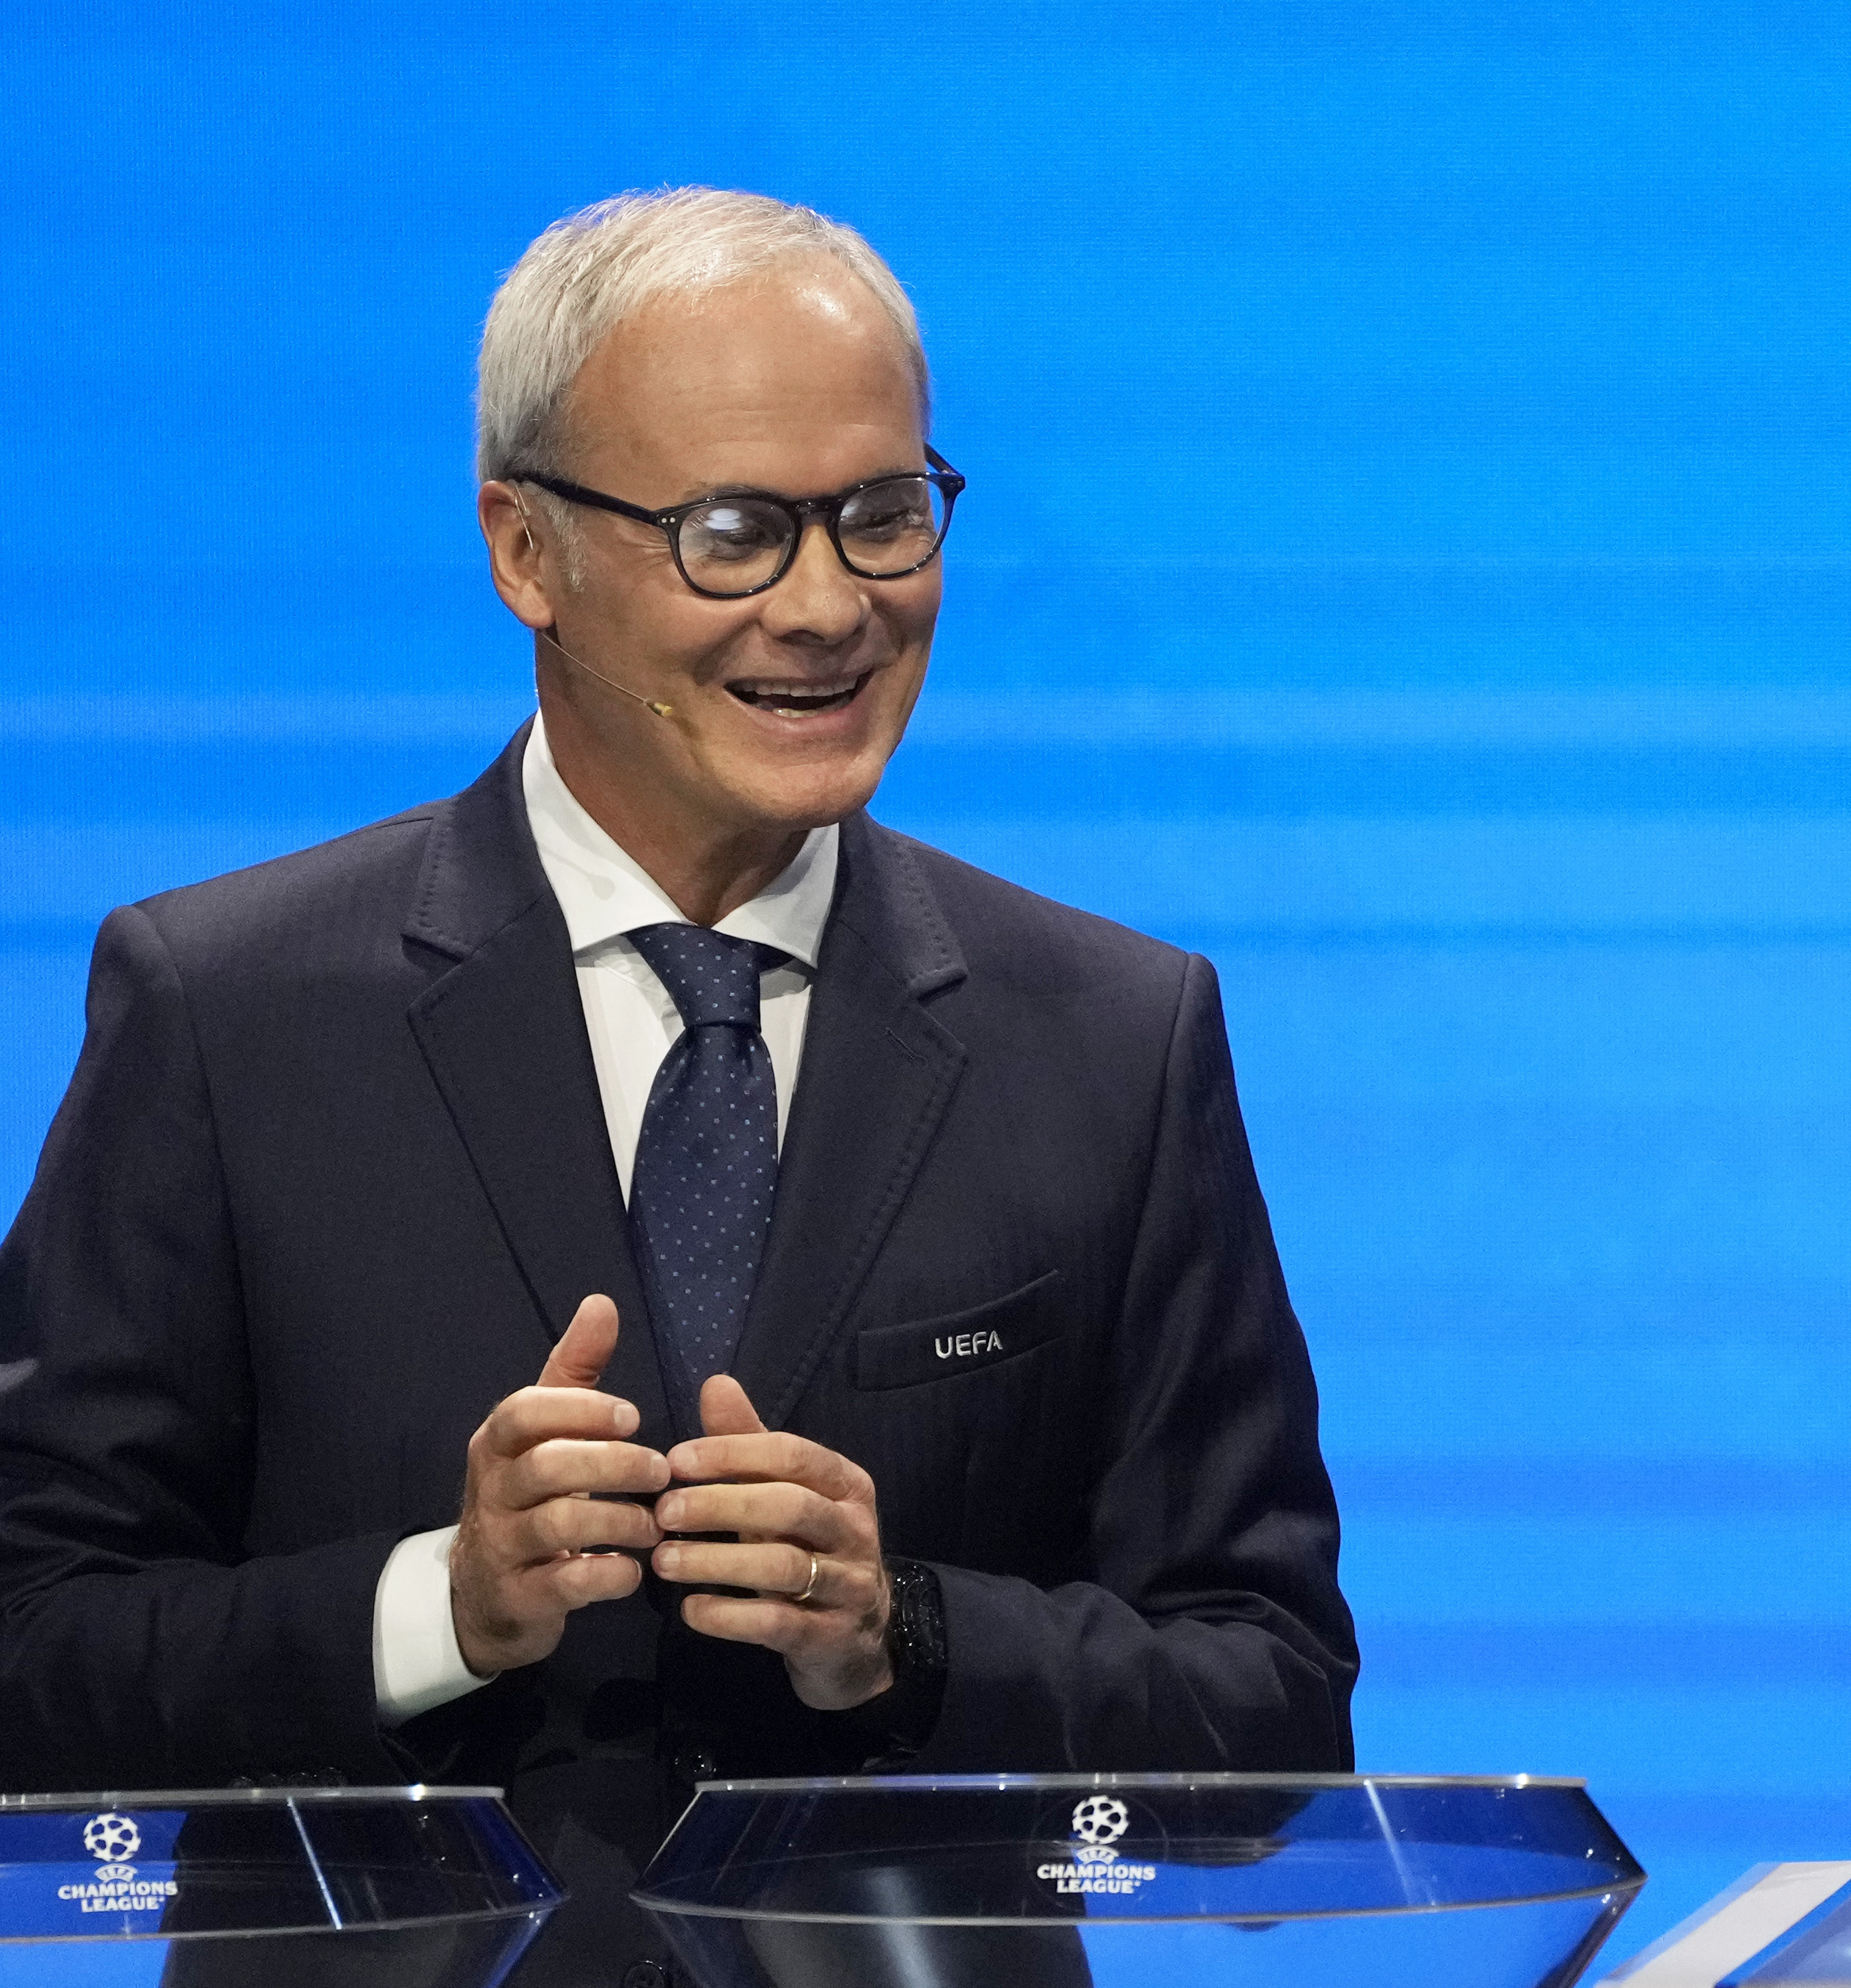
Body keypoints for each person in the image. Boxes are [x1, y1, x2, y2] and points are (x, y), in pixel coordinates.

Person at [0, 189, 1356, 1980]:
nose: (830, 606)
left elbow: (1275, 1721)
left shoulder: (1110, 1034)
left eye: (883, 516)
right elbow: (28, 1655)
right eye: (733, 532)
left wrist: (907, 1634)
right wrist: (436, 1607)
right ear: (524, 548)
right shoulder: (231, 1013)